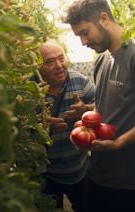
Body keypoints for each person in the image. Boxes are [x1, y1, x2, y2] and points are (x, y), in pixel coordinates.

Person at [62, 0, 135, 212]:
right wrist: (86, 121)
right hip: (98, 172)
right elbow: (105, 107)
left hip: (131, 180)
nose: (83, 42)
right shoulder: (102, 59)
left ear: (104, 19)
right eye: (79, 36)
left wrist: (119, 142)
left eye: (85, 32)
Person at [32, 41, 95, 211]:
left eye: (61, 58)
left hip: (80, 170)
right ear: (38, 66)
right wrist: (42, 127)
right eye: (50, 62)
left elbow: (100, 105)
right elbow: (17, 130)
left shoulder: (79, 81)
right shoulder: (30, 90)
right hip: (46, 176)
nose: (59, 66)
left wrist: (85, 109)